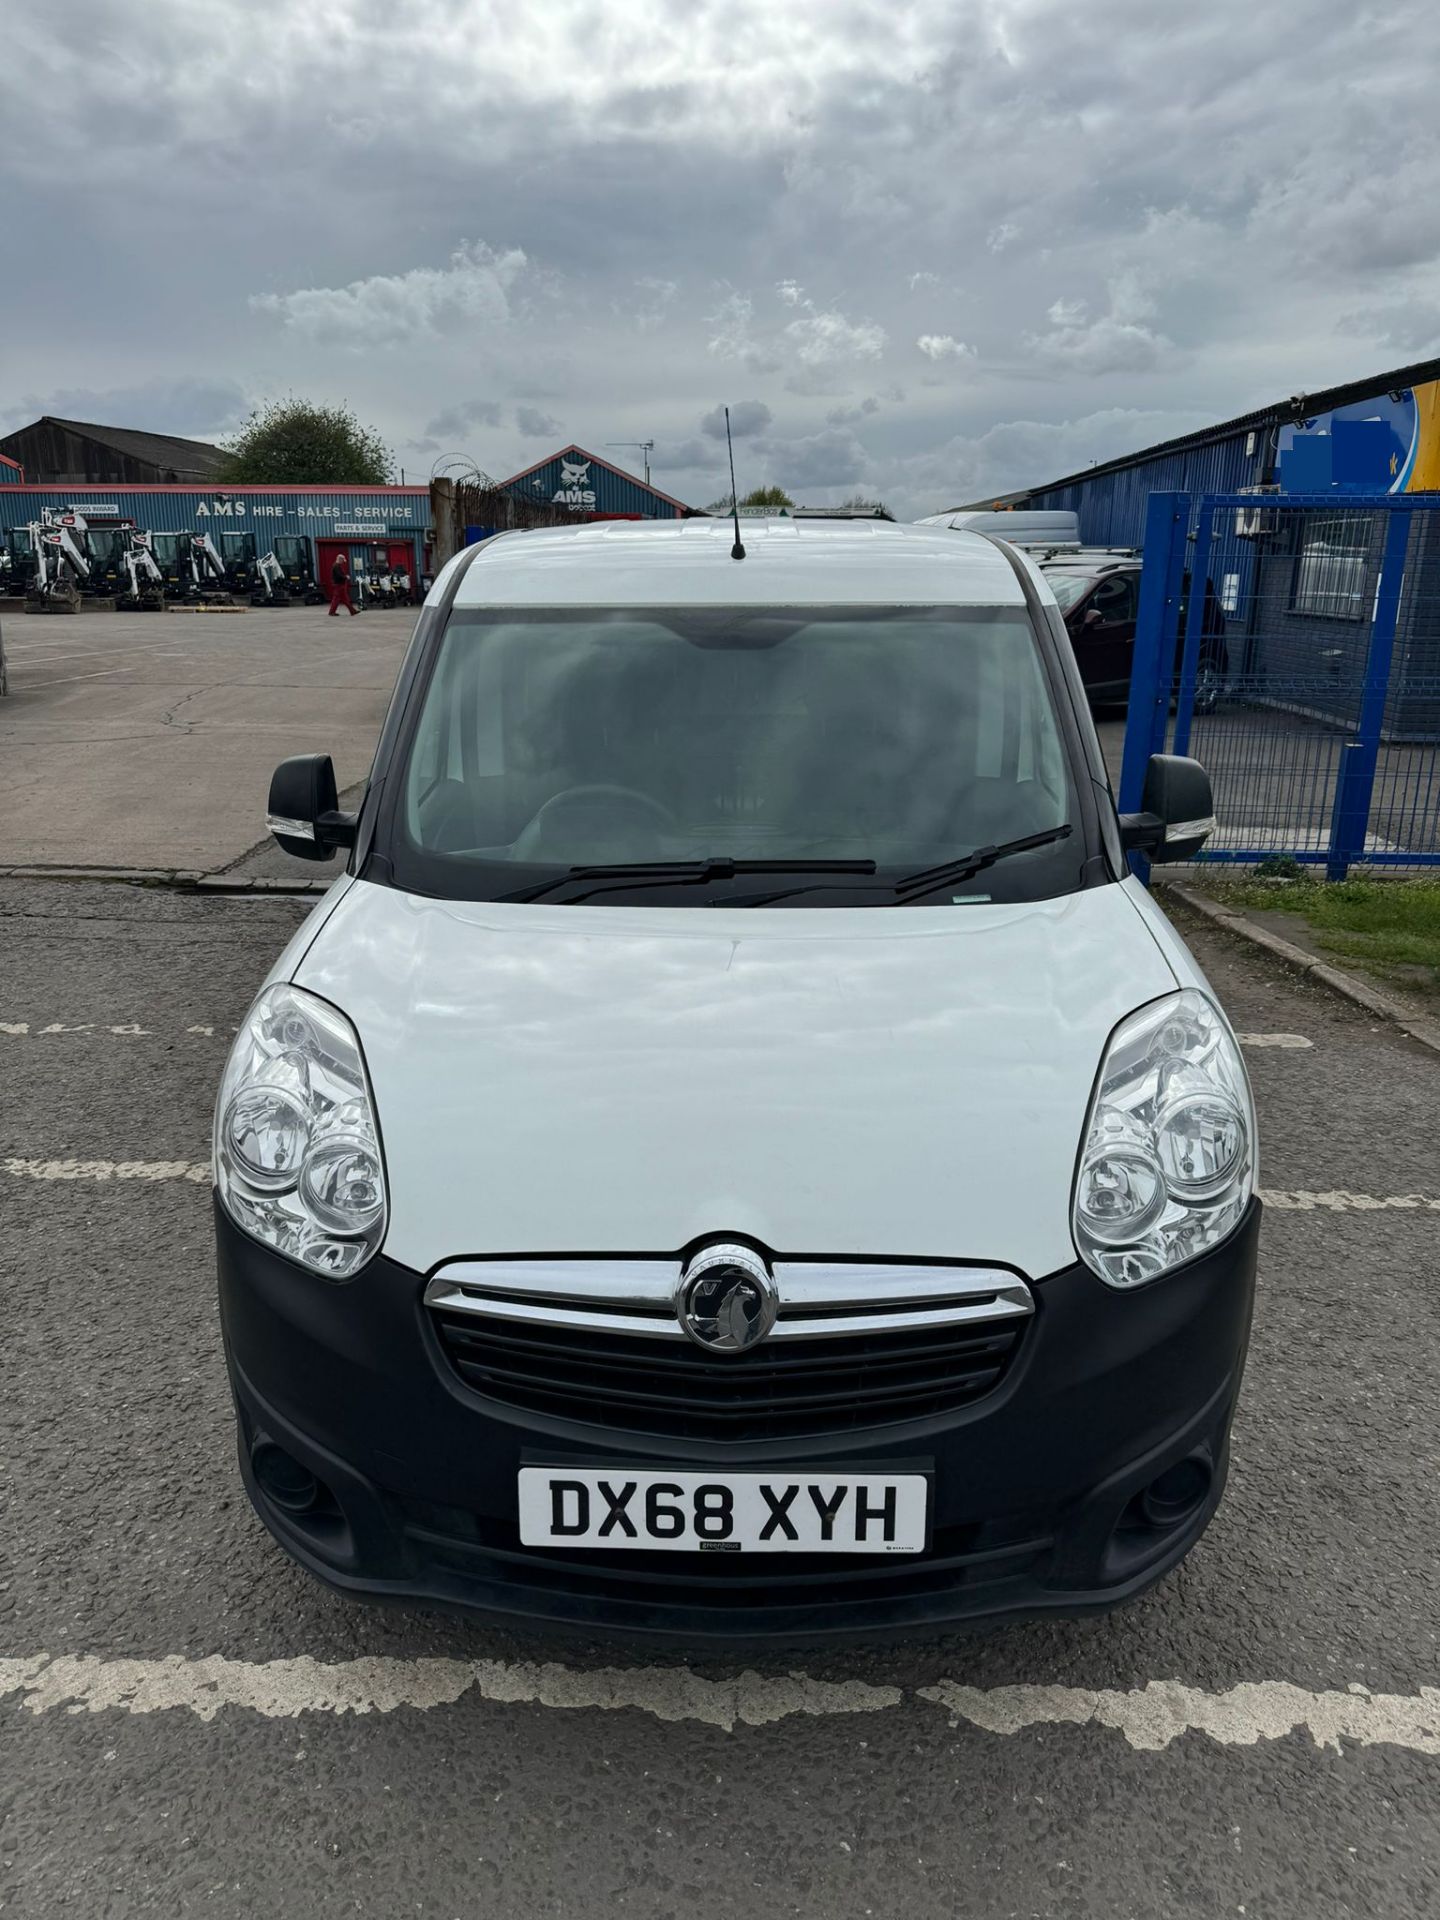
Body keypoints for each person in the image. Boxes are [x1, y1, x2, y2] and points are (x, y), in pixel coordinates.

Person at [328, 550, 356, 617]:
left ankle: (353, 611)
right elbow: (339, 575)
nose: (343, 562)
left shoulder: (337, 566)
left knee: (342, 599)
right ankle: (332, 612)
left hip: (340, 585)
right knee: (338, 599)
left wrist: (345, 577)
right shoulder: (336, 566)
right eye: (343, 560)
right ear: (340, 559)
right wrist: (346, 577)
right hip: (339, 585)